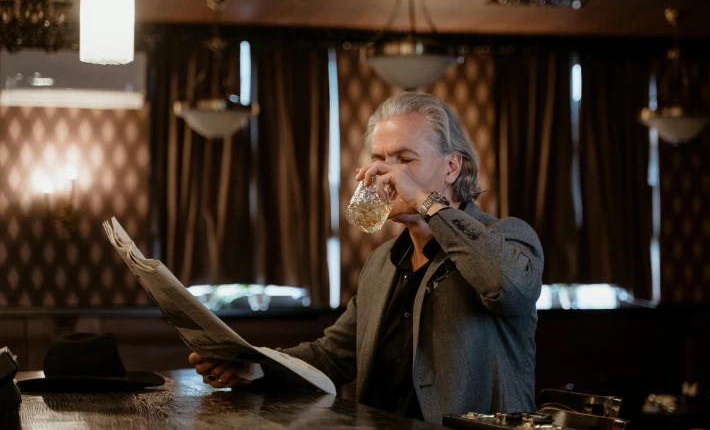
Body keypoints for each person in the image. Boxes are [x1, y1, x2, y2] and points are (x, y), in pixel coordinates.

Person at [189, 92, 544, 424]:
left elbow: (506, 286)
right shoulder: (382, 262)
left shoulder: (508, 236)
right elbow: (332, 356)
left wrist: (424, 200)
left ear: (452, 167)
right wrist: (254, 365)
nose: (388, 176)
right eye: (379, 160)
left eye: (405, 160)